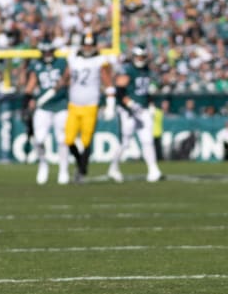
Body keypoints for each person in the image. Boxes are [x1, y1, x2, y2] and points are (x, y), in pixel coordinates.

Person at [106, 45, 163, 183]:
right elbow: (119, 91)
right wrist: (130, 104)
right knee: (125, 142)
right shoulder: (128, 70)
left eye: (142, 56)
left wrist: (150, 104)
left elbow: (148, 91)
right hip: (128, 110)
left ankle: (153, 169)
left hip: (142, 109)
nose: (140, 59)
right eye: (138, 56)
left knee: (147, 140)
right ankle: (113, 167)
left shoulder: (147, 70)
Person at [62, 31, 112, 183]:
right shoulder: (73, 59)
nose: (88, 48)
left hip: (91, 105)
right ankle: (81, 164)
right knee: (69, 139)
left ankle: (81, 171)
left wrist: (110, 104)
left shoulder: (99, 60)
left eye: (90, 45)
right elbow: (65, 77)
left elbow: (107, 81)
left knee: (86, 141)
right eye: (86, 44)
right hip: (74, 105)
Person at [23, 40, 69, 185]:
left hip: (61, 104)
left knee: (62, 140)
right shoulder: (36, 65)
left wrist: (59, 86)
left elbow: (67, 79)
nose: (48, 54)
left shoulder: (61, 63)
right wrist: (29, 99)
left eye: (50, 51)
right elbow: (30, 84)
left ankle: (63, 169)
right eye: (45, 52)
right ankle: (43, 164)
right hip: (43, 106)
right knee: (39, 139)